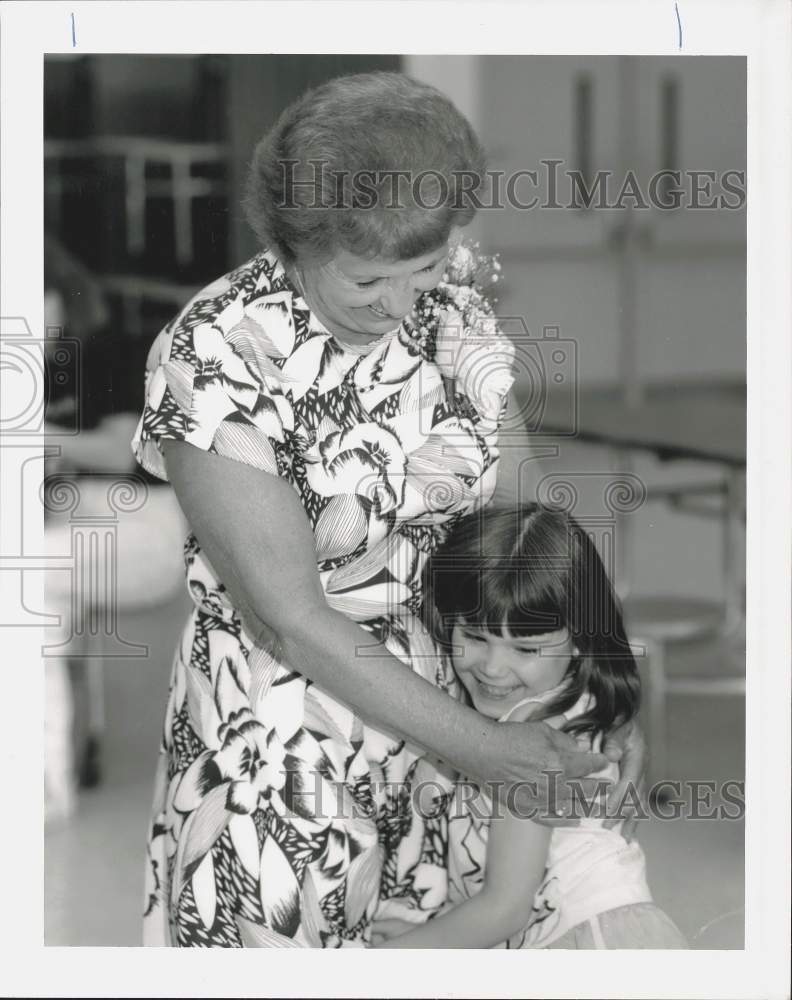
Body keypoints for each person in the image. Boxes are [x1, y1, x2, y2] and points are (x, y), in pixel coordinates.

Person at [131, 71, 646, 948]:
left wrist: (600, 681)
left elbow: (524, 523)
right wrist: (484, 749)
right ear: (293, 248)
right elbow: (289, 620)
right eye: (369, 281)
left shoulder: (453, 311)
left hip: (473, 685)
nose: (405, 304)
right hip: (289, 730)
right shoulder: (218, 352)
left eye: (427, 267)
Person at [371, 503, 686, 949]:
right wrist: (435, 935)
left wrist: (382, 966)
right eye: (476, 638)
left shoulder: (532, 730)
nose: (494, 668)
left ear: (580, 640)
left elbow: (505, 909)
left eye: (525, 649)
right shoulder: (569, 695)